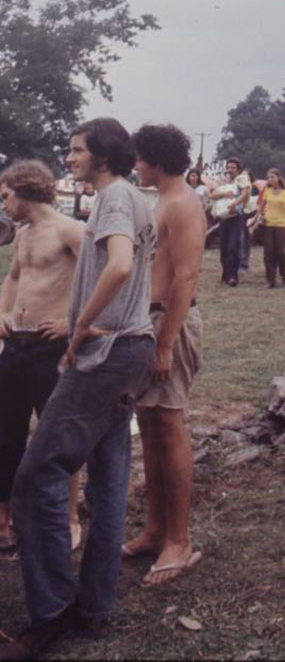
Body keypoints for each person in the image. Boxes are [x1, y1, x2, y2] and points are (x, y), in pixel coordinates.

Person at [3, 118, 156, 662]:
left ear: (103, 155)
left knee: (35, 474)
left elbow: (119, 266)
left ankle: (51, 612)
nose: (68, 158)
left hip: (107, 355)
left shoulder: (114, 196)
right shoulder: (136, 197)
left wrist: (80, 325)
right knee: (110, 478)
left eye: (75, 150)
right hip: (133, 347)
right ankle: (94, 607)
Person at [122, 124, 206, 587]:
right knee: (151, 427)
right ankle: (156, 530)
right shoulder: (163, 201)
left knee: (169, 426)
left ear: (155, 159)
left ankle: (179, 538)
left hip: (168, 323)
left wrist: (166, 342)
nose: (135, 166)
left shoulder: (183, 202)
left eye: (139, 158)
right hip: (149, 321)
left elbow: (187, 277)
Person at [0, 162, 84, 560]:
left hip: (51, 348)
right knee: (6, 432)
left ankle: (69, 517)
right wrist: (2, 311)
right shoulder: (22, 233)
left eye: (5, 196)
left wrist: (72, 319)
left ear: (24, 190)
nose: (4, 205)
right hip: (16, 344)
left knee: (57, 435)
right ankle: (6, 516)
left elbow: (103, 277)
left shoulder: (69, 230)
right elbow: (15, 277)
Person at [210, 157, 250, 286]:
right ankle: (225, 273)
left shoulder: (242, 179)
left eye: (233, 168)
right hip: (223, 216)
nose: (230, 170)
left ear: (238, 169)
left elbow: (244, 193)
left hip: (235, 216)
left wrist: (234, 203)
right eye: (228, 167)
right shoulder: (222, 180)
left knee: (233, 246)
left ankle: (233, 276)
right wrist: (224, 194)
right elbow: (213, 195)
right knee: (224, 246)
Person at [255, 169, 285, 290]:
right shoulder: (266, 191)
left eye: (272, 177)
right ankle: (271, 279)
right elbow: (261, 207)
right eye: (268, 178)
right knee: (268, 253)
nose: (270, 180)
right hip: (268, 224)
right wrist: (260, 217)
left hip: (281, 225)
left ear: (278, 177)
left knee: (279, 252)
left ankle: (284, 274)